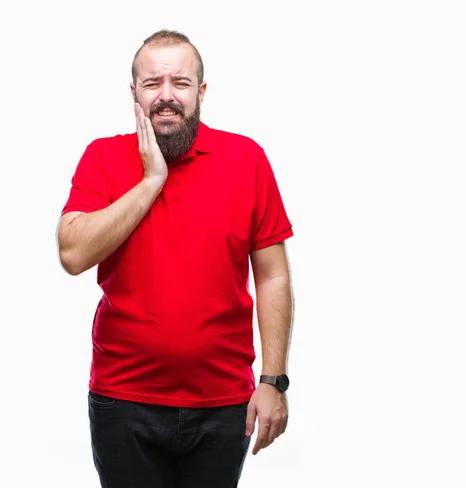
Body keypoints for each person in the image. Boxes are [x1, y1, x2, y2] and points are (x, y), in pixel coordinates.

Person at [56, 29, 295, 488]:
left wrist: (274, 379)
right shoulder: (103, 156)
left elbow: (273, 277)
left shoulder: (247, 159)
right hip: (123, 401)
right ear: (135, 94)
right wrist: (150, 181)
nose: (166, 96)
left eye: (180, 83)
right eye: (152, 84)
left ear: (201, 91)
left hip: (224, 403)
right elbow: (73, 253)